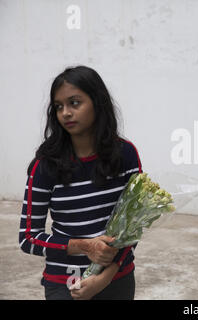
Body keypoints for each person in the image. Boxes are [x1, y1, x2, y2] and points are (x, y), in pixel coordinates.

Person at [19, 66, 142, 300]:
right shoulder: (45, 166)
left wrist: (105, 277)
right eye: (59, 106)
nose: (65, 113)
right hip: (65, 283)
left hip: (118, 279)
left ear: (97, 102)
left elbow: (134, 225)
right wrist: (85, 246)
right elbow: (28, 238)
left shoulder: (125, 154)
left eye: (75, 103)